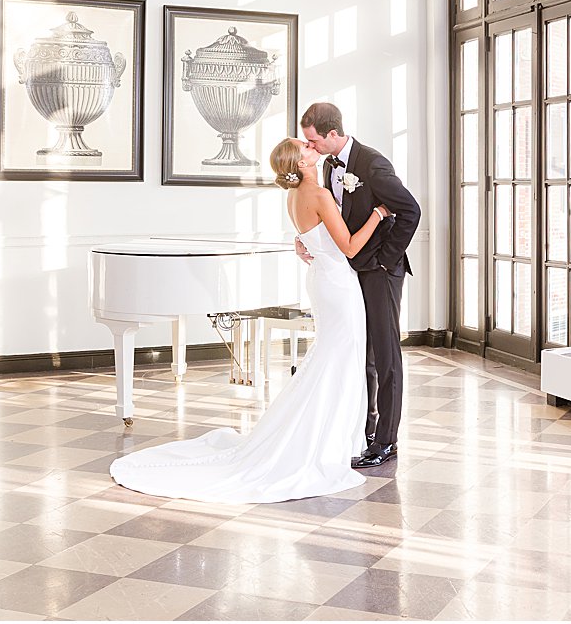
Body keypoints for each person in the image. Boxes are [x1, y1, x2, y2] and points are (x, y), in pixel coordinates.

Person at [108, 137, 391, 503]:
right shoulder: (318, 196)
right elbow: (350, 247)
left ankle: (330, 435)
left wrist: (306, 240)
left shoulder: (295, 197)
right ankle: (329, 439)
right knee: (340, 357)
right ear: (301, 163)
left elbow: (314, 236)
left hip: (323, 279)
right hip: (338, 284)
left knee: (331, 356)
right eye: (304, 147)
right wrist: (378, 215)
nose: (310, 146)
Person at [297, 102, 421, 469]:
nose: (312, 147)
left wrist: (386, 259)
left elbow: (410, 211)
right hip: (348, 270)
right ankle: (365, 430)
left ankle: (387, 441)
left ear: (332, 134)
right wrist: (305, 239)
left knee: (385, 354)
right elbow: (331, 218)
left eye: (314, 140)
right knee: (361, 352)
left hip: (380, 271)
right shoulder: (327, 171)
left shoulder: (373, 164)